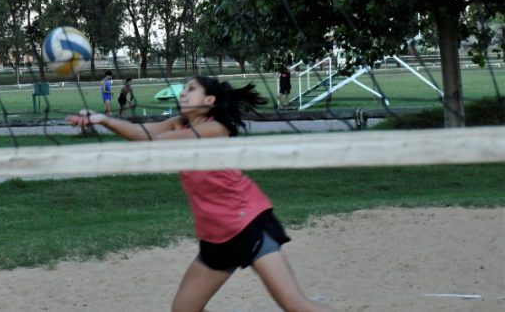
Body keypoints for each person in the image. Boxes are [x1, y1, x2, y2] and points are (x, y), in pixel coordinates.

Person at [65, 76, 333, 312]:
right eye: (184, 89)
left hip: (246, 223)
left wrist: (124, 137)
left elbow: (151, 141)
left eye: (191, 89)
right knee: (184, 309)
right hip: (214, 234)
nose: (183, 93)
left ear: (209, 100)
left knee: (295, 305)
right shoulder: (177, 123)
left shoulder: (215, 128)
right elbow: (138, 132)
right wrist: (102, 119)